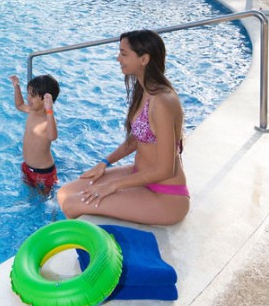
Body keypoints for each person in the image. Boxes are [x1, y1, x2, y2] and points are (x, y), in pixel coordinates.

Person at [57, 30, 190, 225]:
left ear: (144, 59)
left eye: (124, 53)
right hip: (140, 175)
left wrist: (112, 186)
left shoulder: (162, 101)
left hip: (166, 196)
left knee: (72, 204)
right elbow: (138, 136)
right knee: (64, 192)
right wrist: (105, 162)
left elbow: (165, 170)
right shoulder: (143, 90)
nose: (118, 58)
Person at [9, 74, 60, 195]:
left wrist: (49, 110)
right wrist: (16, 87)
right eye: (28, 94)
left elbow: (53, 136)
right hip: (27, 167)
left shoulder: (47, 119)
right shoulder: (32, 111)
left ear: (45, 99)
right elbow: (19, 105)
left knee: (45, 198)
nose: (28, 98)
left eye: (32, 96)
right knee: (29, 193)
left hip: (44, 172)